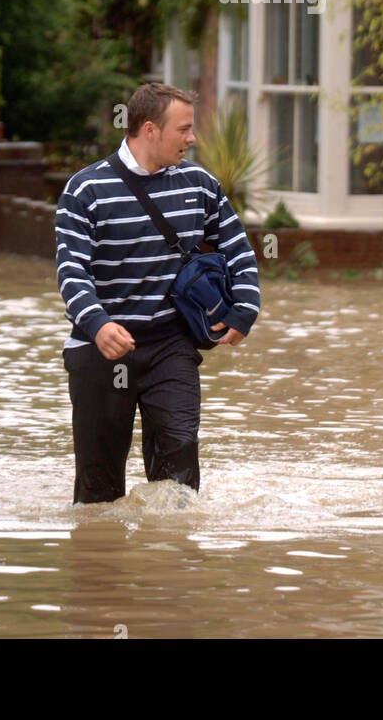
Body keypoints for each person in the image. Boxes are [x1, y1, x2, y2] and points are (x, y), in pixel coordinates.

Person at [55, 82, 261, 504]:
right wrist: (97, 324)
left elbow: (237, 247)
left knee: (180, 473)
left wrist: (245, 307)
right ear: (149, 129)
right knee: (99, 490)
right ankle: (102, 563)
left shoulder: (199, 184)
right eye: (183, 129)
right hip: (99, 348)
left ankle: (174, 563)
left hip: (170, 345)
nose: (192, 138)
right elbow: (71, 270)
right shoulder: (85, 191)